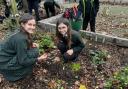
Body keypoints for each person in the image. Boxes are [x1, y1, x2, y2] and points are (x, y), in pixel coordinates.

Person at [0, 13, 47, 82]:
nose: (33, 27)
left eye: (34, 25)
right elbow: (23, 61)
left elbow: (15, 45)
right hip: (4, 63)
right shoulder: (20, 39)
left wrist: (30, 44)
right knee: (34, 52)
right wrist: (38, 59)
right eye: (29, 24)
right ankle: (13, 75)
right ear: (22, 24)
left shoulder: (19, 31)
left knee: (33, 50)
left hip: (3, 57)